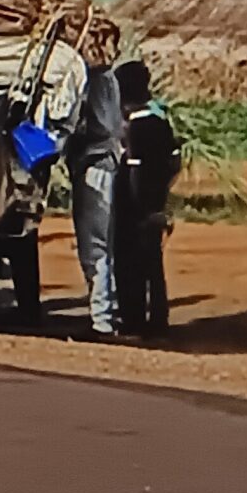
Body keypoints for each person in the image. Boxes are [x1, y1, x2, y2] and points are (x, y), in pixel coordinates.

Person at [110, 60, 181, 336]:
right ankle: (159, 319)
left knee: (129, 264)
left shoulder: (136, 128)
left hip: (133, 206)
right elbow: (174, 161)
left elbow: (135, 172)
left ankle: (133, 319)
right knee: (153, 263)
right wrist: (161, 197)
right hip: (156, 202)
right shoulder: (162, 122)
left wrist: (139, 206)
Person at [67, 62, 126, 337]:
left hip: (95, 166)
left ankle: (101, 320)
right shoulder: (108, 79)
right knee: (102, 246)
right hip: (103, 164)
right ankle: (105, 314)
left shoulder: (96, 81)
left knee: (95, 247)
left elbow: (99, 126)